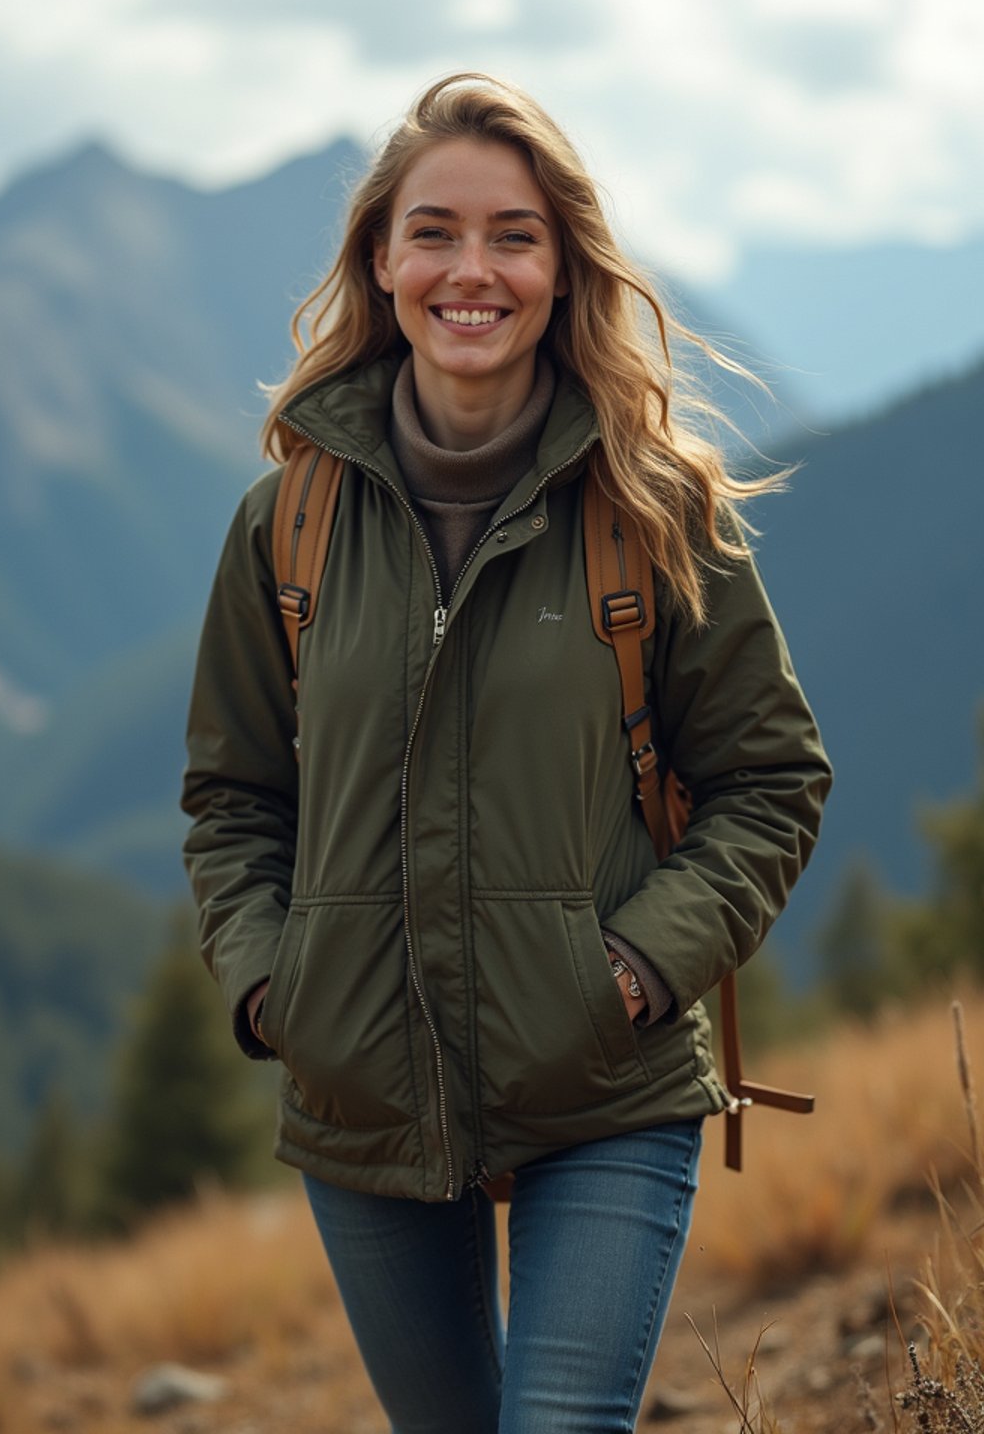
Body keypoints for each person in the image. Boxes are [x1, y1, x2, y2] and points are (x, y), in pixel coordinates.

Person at [181, 72, 832, 1433]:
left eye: (513, 235)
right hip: (360, 1085)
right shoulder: (284, 524)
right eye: (434, 231)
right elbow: (236, 795)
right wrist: (273, 986)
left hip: (606, 1079)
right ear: (381, 259)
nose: (470, 269)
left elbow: (770, 780)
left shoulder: (656, 513)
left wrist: (642, 966)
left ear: (561, 265)